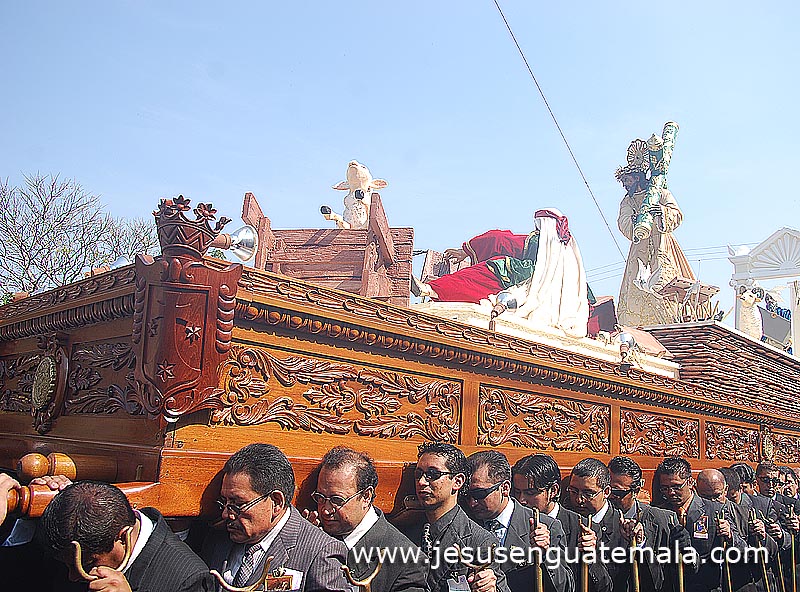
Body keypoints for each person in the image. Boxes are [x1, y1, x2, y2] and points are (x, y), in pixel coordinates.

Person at [413, 209, 591, 338]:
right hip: (562, 310)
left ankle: (430, 289)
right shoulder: (573, 260)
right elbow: (587, 295)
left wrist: (467, 250)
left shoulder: (537, 240)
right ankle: (430, 290)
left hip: (528, 288)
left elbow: (499, 240)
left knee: (483, 273)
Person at [201, 443, 349, 591]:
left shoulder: (320, 553)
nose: (226, 514)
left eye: (238, 504)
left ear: (276, 502)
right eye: (224, 502)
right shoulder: (217, 538)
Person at [39, 480, 214, 592]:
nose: (72, 576)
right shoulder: (66, 541)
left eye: (88, 564)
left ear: (123, 538)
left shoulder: (187, 580)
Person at [312, 446, 428, 592]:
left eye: (337, 500)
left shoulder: (407, 561)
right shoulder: (315, 538)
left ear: (366, 497)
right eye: (320, 498)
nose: (326, 510)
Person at [402, 442, 509, 592]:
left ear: (457, 481)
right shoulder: (406, 532)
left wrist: (491, 587)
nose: (421, 482)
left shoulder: (480, 542)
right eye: (418, 474)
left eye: (433, 474)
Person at [463, 450, 573, 592]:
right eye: (467, 495)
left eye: (480, 494)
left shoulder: (547, 526)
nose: (472, 502)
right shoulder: (465, 523)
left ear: (505, 488)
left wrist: (546, 555)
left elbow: (565, 587)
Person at [510, 454, 612, 592]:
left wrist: (591, 557)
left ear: (553, 490)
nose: (521, 500)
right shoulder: (513, 523)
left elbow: (604, 586)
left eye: (530, 493)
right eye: (517, 492)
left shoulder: (583, 528)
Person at [615, 156, 695, 326]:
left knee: (664, 284)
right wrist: (635, 222)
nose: (625, 185)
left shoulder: (660, 193)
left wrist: (662, 212)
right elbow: (623, 222)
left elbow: (677, 214)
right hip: (639, 249)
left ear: (637, 178)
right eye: (624, 182)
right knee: (638, 286)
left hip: (663, 245)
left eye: (627, 180)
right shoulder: (628, 201)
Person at [654, 457, 746, 592]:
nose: (671, 493)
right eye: (665, 488)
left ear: (690, 482)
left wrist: (730, 535)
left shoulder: (715, 510)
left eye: (676, 487)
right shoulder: (658, 512)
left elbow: (743, 549)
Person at [607, 456, 689, 592]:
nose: (610, 496)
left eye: (617, 492)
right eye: (606, 490)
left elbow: (667, 578)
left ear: (635, 492)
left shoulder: (664, 519)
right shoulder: (593, 518)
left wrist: (641, 546)